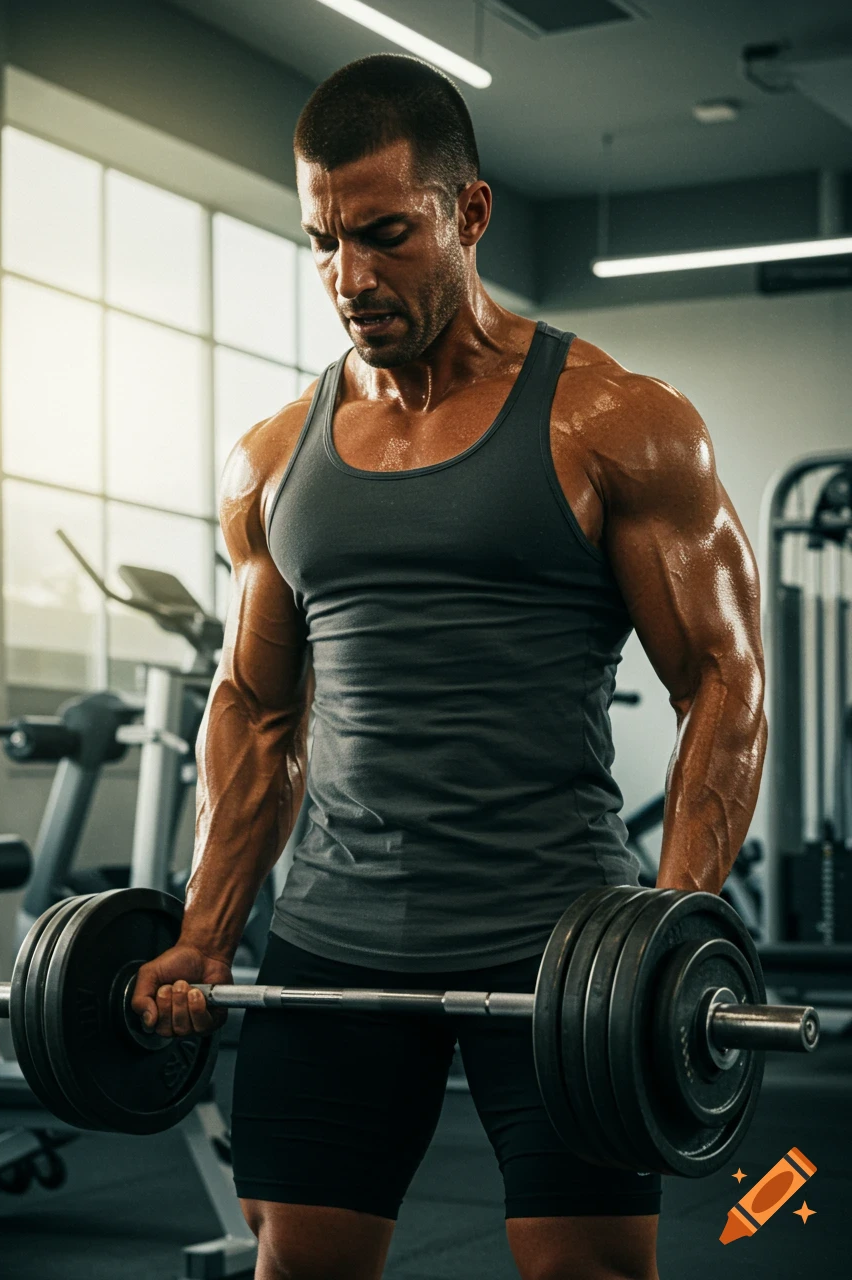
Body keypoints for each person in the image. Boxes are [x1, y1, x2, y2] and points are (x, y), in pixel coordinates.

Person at [132, 54, 766, 1280]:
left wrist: (664, 932)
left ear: (466, 214)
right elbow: (258, 711)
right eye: (321, 241)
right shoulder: (271, 459)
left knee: (582, 1269)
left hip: (562, 941)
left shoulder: (616, 422)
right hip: (331, 933)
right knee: (296, 1262)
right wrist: (207, 936)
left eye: (385, 235)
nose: (349, 278)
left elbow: (722, 684)